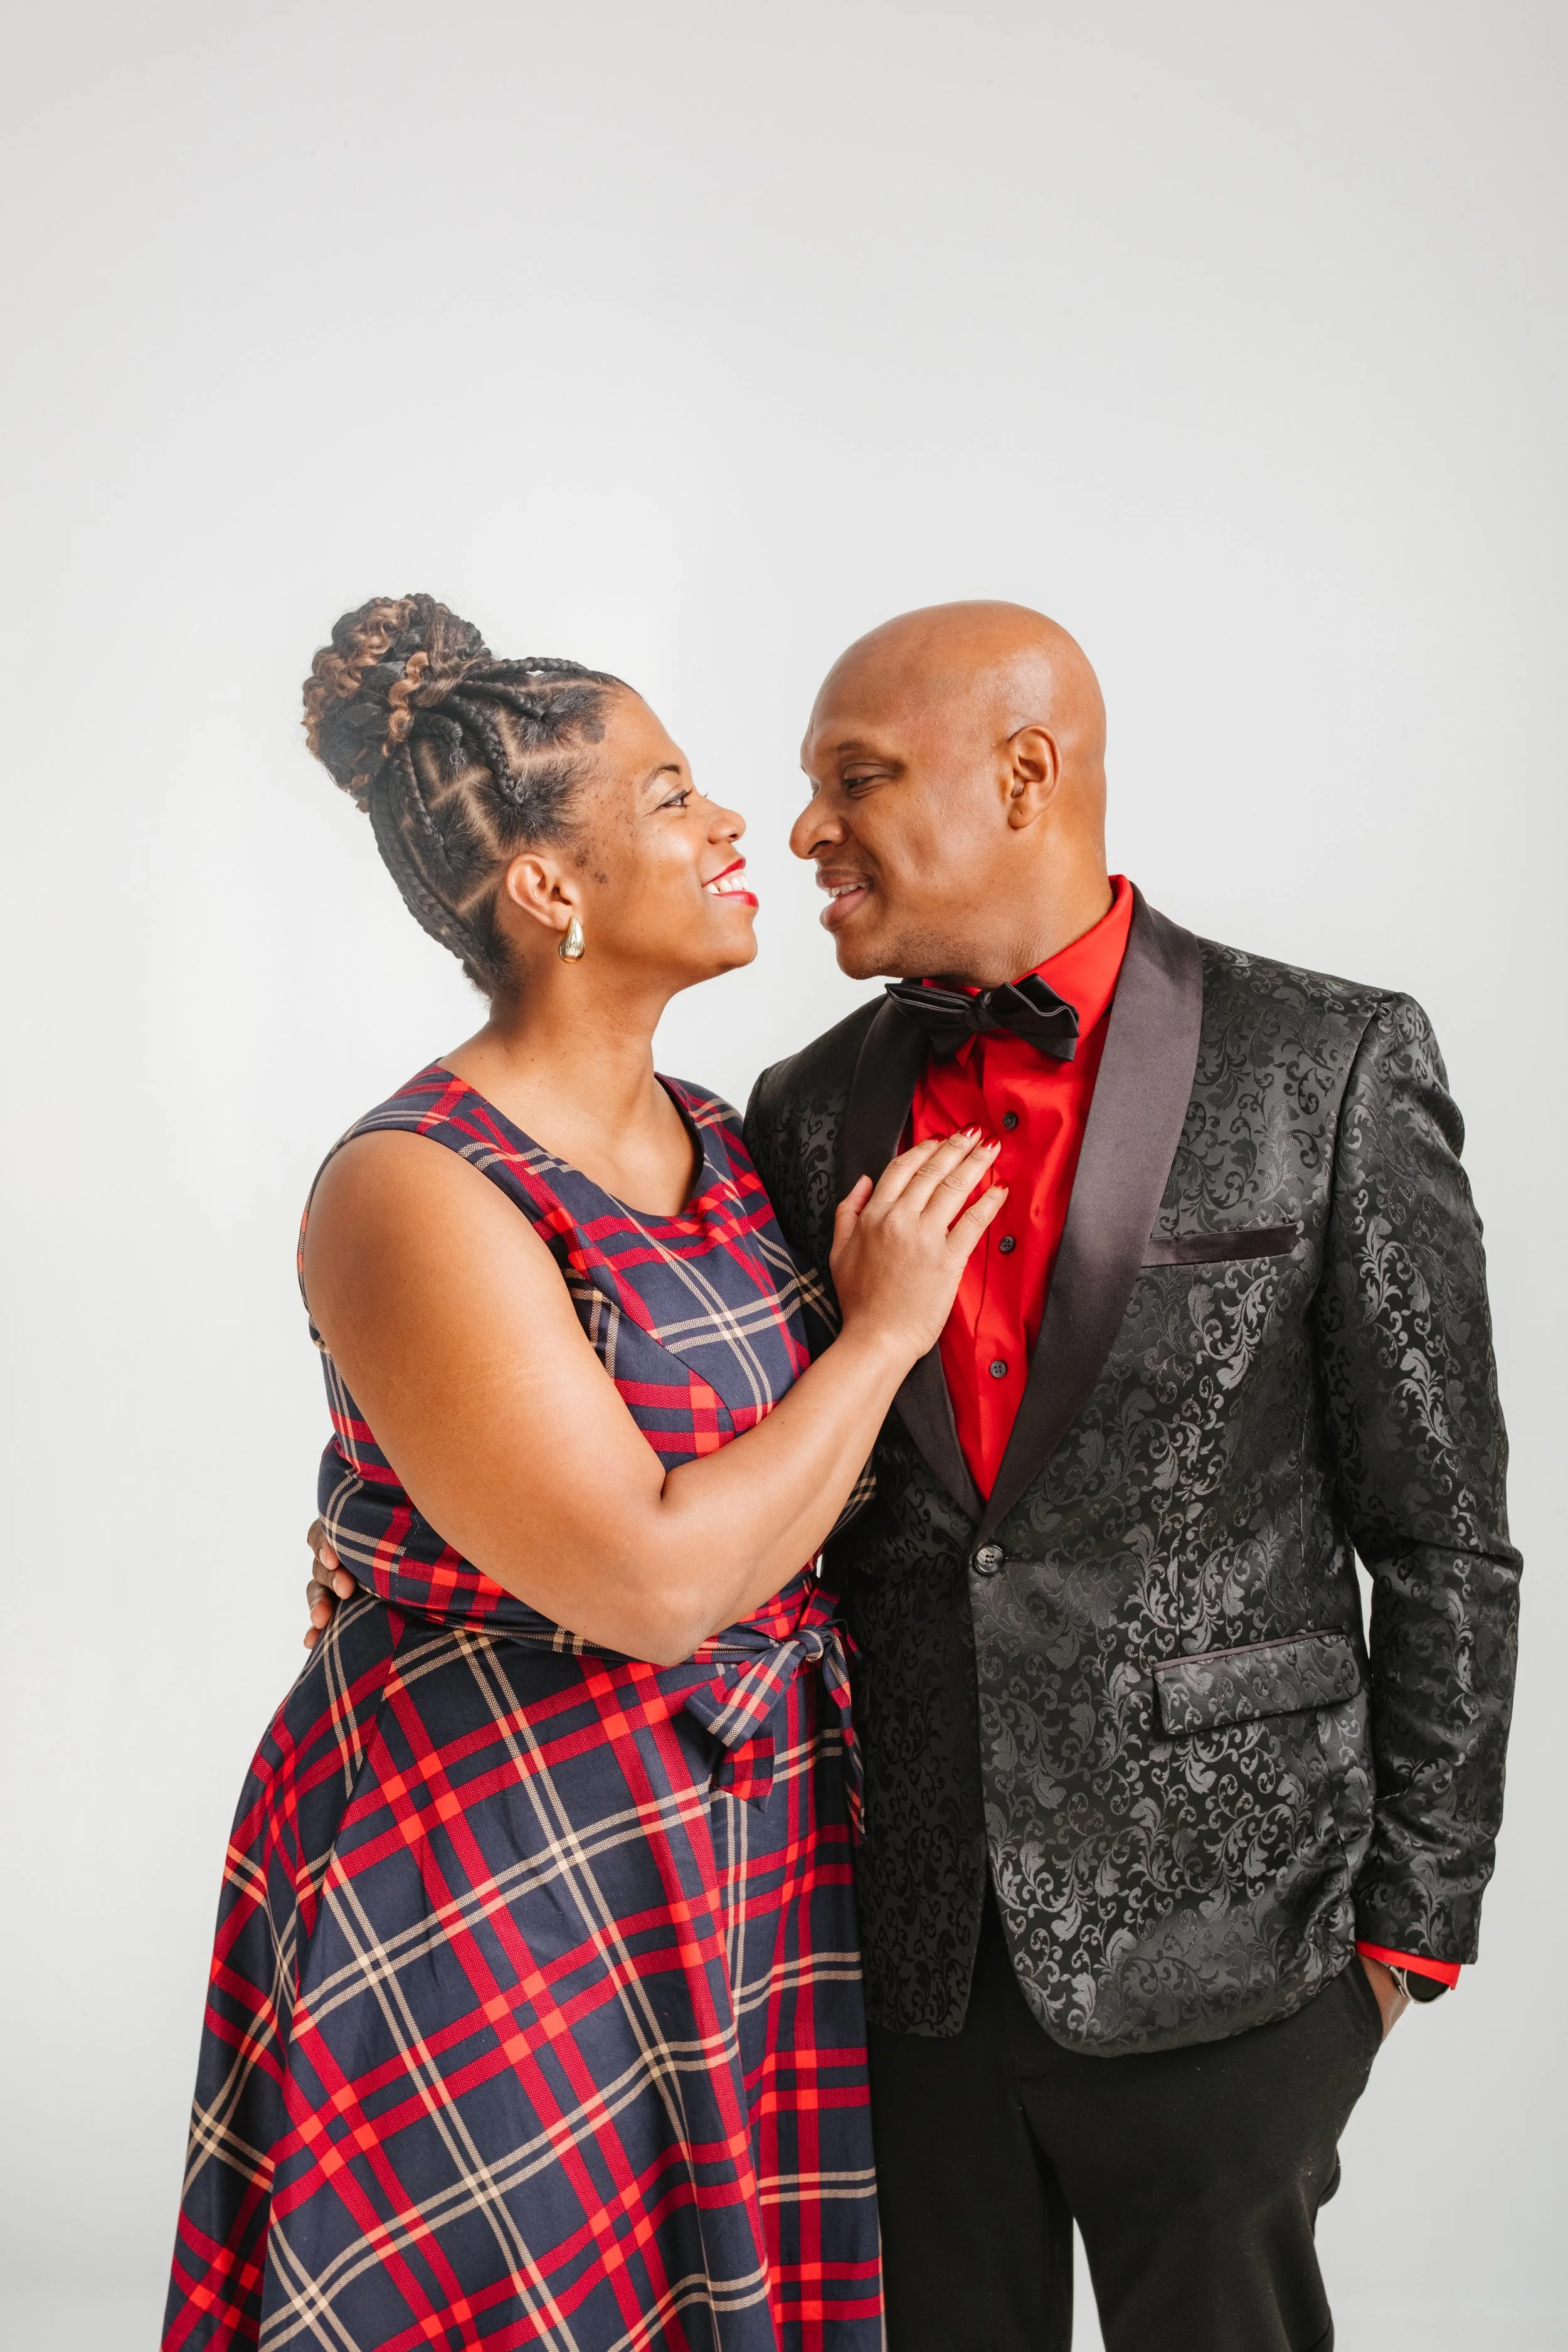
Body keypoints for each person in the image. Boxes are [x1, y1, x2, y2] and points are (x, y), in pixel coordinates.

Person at [304, 597, 1520, 2352]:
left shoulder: (1323, 1063)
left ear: (1025, 777)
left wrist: (1411, 1926)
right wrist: (394, 1551)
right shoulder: (790, 1115)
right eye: (771, 788)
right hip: (887, 1950)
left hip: (1238, 1949)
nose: (795, 829)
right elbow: (668, 1445)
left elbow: (1443, 1533)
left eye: (852, 779)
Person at [164, 594, 1008, 2352]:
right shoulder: (412, 1180)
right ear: (547, 891)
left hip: (735, 1843)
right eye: (672, 796)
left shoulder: (722, 1132)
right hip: (492, 1856)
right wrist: (876, 1335)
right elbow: (649, 1578)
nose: (734, 833)